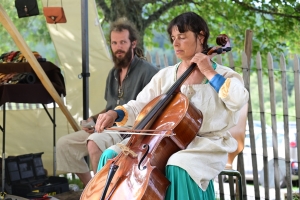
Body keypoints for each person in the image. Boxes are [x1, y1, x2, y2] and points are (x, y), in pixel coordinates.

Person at [91, 12, 249, 199]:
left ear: (201, 37)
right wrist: (115, 114)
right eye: (173, 38)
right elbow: (140, 106)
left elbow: (239, 99)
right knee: (111, 155)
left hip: (205, 144)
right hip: (161, 141)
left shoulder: (224, 74)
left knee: (178, 164)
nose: (175, 43)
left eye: (182, 37)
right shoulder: (165, 76)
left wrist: (208, 71)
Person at [56, 18, 158, 186]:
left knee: (94, 143)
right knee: (64, 145)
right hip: (107, 128)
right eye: (114, 43)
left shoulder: (148, 72)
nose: (118, 47)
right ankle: (91, 187)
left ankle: (102, 192)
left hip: (131, 131)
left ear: (133, 43)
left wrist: (110, 123)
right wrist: (94, 121)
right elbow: (110, 107)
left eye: (123, 42)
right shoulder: (113, 73)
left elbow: (151, 110)